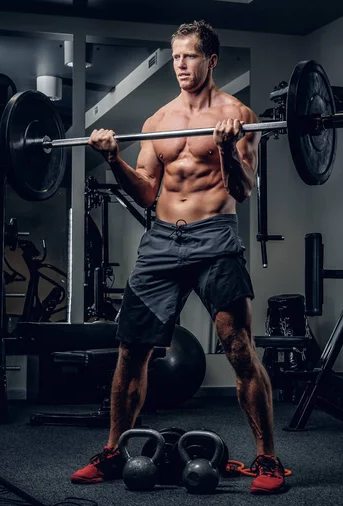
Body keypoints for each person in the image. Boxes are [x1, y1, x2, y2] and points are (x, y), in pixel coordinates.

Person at [71, 21, 285, 494]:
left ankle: (268, 459)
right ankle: (113, 451)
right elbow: (147, 192)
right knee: (132, 349)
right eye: (175, 58)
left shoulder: (238, 114)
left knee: (237, 346)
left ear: (210, 60)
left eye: (189, 56)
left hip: (215, 238)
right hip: (163, 241)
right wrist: (112, 160)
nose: (181, 66)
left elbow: (244, 190)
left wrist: (228, 147)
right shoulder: (156, 122)